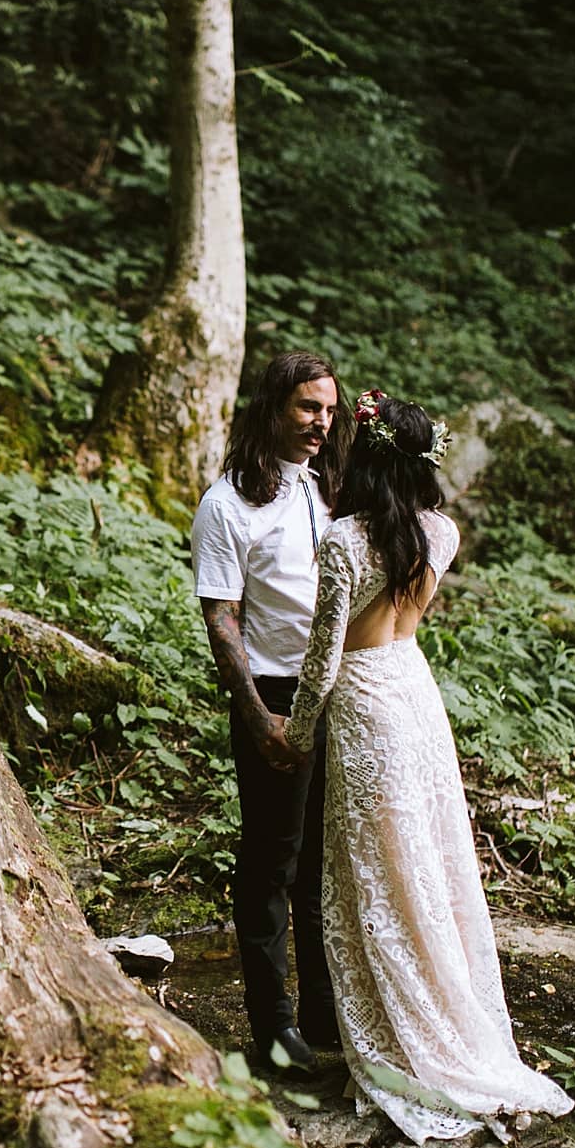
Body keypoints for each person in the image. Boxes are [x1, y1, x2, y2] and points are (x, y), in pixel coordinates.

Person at [282, 390, 575, 1143]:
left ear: (366, 459)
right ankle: (448, 1015)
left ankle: (400, 1037)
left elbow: (321, 662)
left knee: (377, 869)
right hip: (415, 692)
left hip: (364, 703)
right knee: (426, 864)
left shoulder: (345, 541)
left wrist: (295, 733)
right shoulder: (440, 533)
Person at [191, 351, 352, 1073]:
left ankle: (323, 1010)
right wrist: (259, 721)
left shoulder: (330, 488)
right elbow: (220, 619)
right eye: (307, 407)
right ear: (273, 407)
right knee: (270, 864)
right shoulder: (227, 503)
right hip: (277, 695)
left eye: (328, 408)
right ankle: (275, 1027)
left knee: (322, 863)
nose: (321, 421)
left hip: (339, 695)